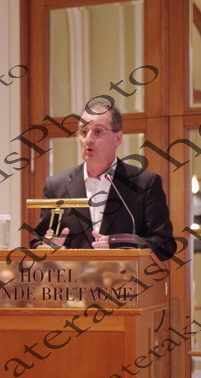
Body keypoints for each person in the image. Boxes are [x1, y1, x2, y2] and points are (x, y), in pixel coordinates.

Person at [28, 99, 177, 261]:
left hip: (126, 276)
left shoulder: (144, 183)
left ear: (118, 139)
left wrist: (121, 243)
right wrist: (47, 247)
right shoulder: (57, 186)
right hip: (75, 276)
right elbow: (38, 241)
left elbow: (165, 245)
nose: (89, 139)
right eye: (84, 132)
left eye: (98, 131)